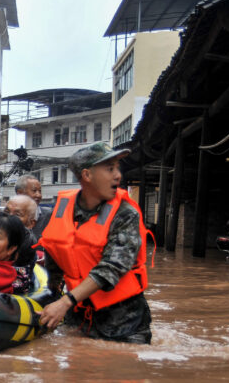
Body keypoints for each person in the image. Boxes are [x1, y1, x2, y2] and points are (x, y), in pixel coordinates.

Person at [38, 142, 152, 344]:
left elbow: (111, 268)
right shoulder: (63, 208)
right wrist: (51, 297)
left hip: (124, 323)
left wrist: (65, 302)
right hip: (79, 317)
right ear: (87, 176)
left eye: (118, 168)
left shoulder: (125, 214)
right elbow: (54, 256)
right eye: (110, 169)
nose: (118, 175)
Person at [15, 175, 52, 241]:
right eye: (34, 191)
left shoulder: (50, 215)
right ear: (20, 193)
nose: (38, 195)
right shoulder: (10, 218)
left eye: (40, 191)